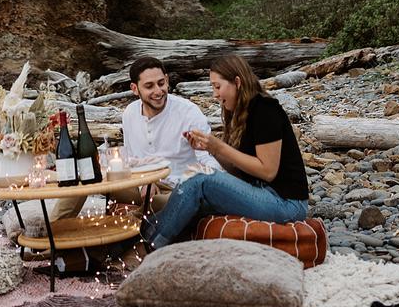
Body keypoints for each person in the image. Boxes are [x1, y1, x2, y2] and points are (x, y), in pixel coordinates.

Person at [141, 54, 310, 251]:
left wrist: (219, 146)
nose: (214, 94)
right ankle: (141, 233)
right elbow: (240, 172)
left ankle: (149, 247)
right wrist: (211, 150)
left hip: (287, 203)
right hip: (260, 191)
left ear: (237, 82)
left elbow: (267, 171)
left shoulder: (265, 109)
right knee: (194, 185)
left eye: (217, 86)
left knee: (201, 180)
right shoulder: (238, 111)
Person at [116, 56, 220, 210]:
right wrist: (145, 182)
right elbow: (132, 161)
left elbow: (210, 163)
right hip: (143, 185)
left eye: (161, 83)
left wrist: (190, 187)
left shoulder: (188, 113)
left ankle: (142, 222)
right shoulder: (130, 113)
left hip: (180, 188)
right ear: (134, 89)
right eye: (149, 86)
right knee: (99, 185)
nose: (158, 91)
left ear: (167, 79)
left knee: (160, 203)